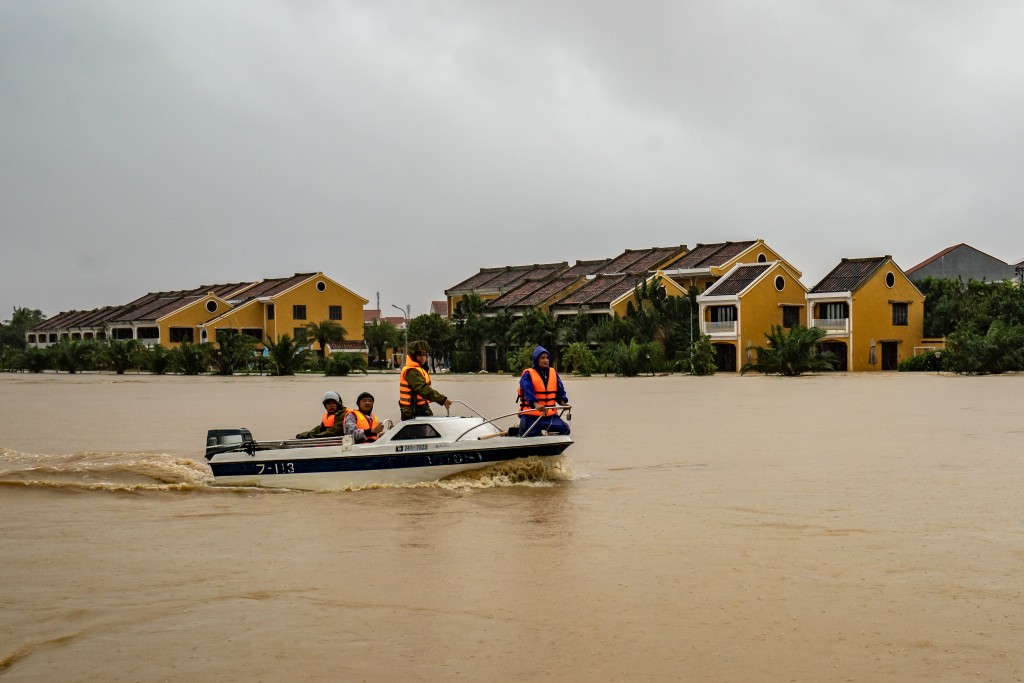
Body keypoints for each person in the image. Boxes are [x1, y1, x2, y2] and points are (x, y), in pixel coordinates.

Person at [517, 345, 570, 437]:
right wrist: (536, 405)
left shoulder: (553, 372)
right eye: (542, 358)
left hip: (549, 416)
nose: (545, 360)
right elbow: (527, 391)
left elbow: (559, 390)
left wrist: (562, 402)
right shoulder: (527, 374)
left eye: (547, 358)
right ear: (536, 359)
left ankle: (548, 440)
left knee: (565, 430)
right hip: (531, 416)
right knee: (525, 435)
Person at [399, 340, 451, 420]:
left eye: (424, 354)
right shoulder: (411, 371)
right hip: (411, 411)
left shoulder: (421, 369)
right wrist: (442, 399)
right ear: (413, 356)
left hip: (423, 408)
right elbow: (422, 389)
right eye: (419, 354)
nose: (423, 357)